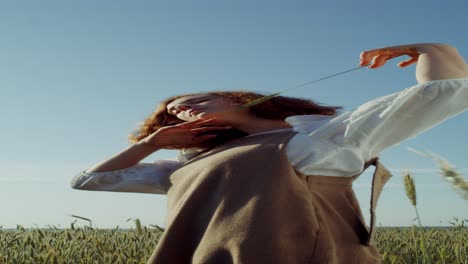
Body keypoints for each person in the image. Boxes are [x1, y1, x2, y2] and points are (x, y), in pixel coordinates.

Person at [70, 43, 468, 263]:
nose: (178, 110)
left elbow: (439, 94)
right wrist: (149, 144)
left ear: (232, 98)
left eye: (190, 100)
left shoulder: (321, 137)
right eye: (171, 114)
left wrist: (430, 48)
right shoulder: (189, 165)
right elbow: (89, 182)